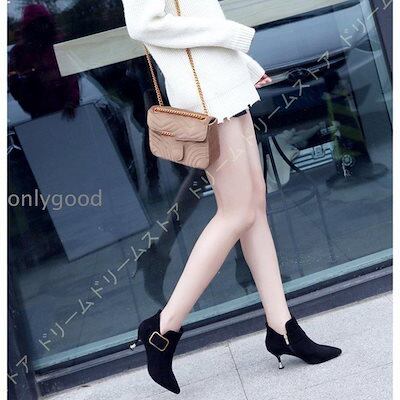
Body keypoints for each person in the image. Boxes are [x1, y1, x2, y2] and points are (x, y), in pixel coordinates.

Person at [122, 0, 341, 394]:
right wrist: (227, 36)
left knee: (254, 206)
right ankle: (163, 328)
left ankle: (282, 327)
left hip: (225, 85)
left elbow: (197, 13)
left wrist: (243, 64)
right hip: (207, 97)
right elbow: (144, 24)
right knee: (236, 212)